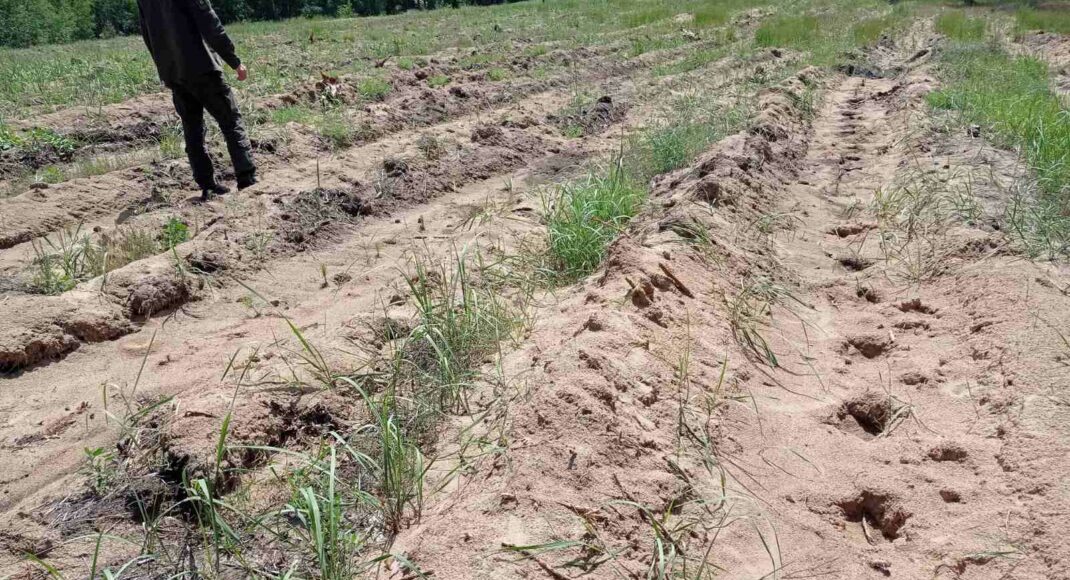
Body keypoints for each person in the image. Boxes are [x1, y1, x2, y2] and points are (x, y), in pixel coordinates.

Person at [137, 0, 258, 200]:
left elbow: (147, 34)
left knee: (192, 129)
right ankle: (247, 179)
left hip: (174, 72)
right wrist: (234, 60)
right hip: (202, 67)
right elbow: (209, 21)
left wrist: (165, 69)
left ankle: (207, 186)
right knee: (231, 121)